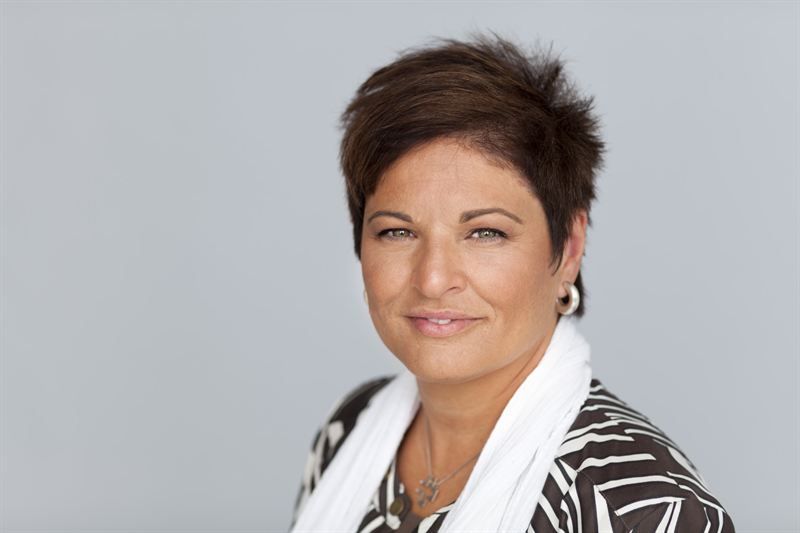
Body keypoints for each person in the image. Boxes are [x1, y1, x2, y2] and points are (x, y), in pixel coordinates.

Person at [289, 32, 735, 532]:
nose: (433, 279)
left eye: (485, 233)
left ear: (568, 247)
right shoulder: (349, 427)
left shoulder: (644, 509)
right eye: (397, 232)